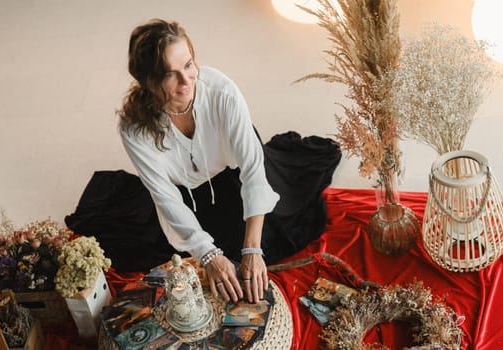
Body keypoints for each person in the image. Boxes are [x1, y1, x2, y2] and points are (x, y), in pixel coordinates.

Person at [118, 19, 341, 305]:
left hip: (235, 170)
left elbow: (251, 169)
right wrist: (209, 255)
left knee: (270, 240)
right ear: (147, 80)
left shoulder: (221, 91)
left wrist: (252, 250)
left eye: (188, 65)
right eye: (169, 75)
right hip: (188, 194)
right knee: (201, 261)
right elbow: (166, 197)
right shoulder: (133, 129)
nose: (186, 81)